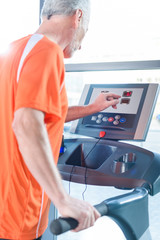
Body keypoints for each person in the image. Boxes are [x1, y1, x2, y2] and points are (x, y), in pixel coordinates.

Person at [0, 0, 120, 239]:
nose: (81, 45)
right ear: (77, 17)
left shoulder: (12, 51)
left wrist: (91, 108)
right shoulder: (48, 50)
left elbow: (34, 112)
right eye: (85, 30)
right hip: (20, 209)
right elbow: (26, 124)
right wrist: (63, 199)